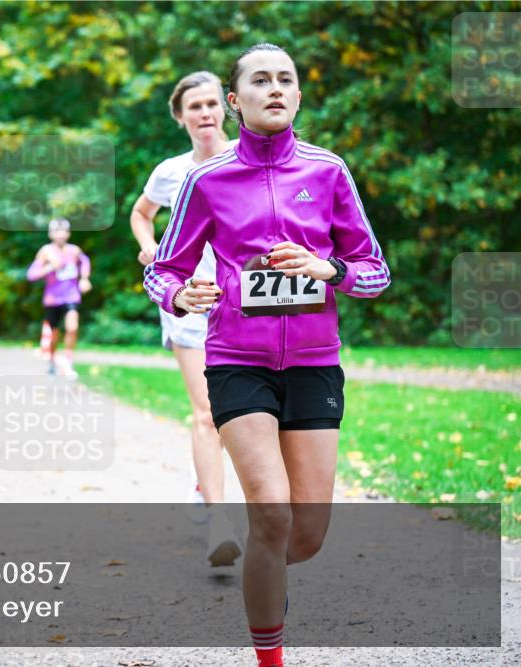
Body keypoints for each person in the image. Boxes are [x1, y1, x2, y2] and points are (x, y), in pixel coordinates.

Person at [144, 44, 390, 667]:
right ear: (236, 100)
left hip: (313, 364)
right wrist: (180, 294)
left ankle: (266, 577)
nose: (274, 88)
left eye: (286, 79)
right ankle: (269, 656)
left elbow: (375, 272)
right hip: (237, 361)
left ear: (299, 96)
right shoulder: (207, 179)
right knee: (273, 515)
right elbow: (162, 271)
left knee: (302, 536)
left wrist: (329, 269)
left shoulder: (328, 171)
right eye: (260, 80)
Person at [130, 70, 242, 568]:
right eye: (194, 106)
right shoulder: (170, 172)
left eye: (212, 103)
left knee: (240, 414)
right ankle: (219, 524)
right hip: (189, 301)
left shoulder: (246, 160)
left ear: (227, 107)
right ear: (180, 116)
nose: (205, 113)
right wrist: (151, 249)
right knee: (207, 411)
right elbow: (140, 213)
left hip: (245, 302)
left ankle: (204, 479)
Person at [26, 218, 91, 379]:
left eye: (64, 231)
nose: (60, 235)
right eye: (57, 231)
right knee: (53, 334)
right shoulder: (45, 252)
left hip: (71, 296)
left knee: (72, 327)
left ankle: (68, 361)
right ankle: (52, 360)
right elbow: (31, 275)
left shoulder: (74, 251)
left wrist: (84, 279)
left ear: (68, 234)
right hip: (52, 299)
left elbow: (85, 262)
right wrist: (50, 267)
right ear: (51, 234)